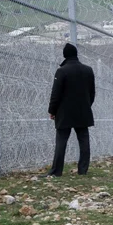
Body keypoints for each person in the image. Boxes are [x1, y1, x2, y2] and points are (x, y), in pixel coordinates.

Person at [46, 43, 95, 177]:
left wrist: (52, 110)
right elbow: (92, 93)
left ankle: (56, 171)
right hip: (83, 111)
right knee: (84, 141)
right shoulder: (88, 70)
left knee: (61, 141)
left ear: (65, 55)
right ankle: (83, 170)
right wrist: (86, 106)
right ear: (76, 54)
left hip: (64, 113)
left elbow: (56, 93)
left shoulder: (62, 71)